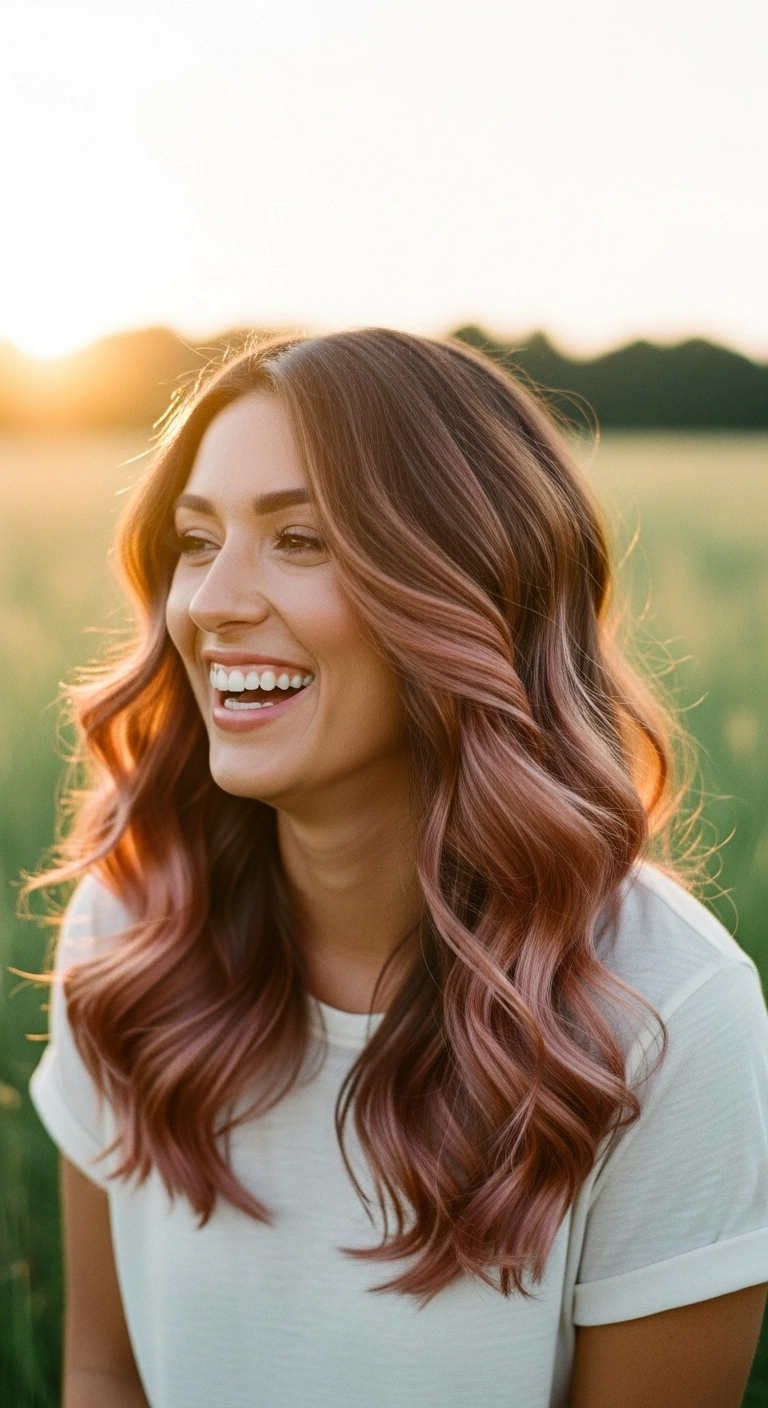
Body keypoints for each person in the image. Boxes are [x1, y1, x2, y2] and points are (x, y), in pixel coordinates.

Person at [29, 329, 768, 1408]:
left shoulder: (669, 1015)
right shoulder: (130, 923)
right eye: (196, 540)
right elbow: (104, 1370)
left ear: (465, 586)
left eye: (300, 538)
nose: (211, 602)